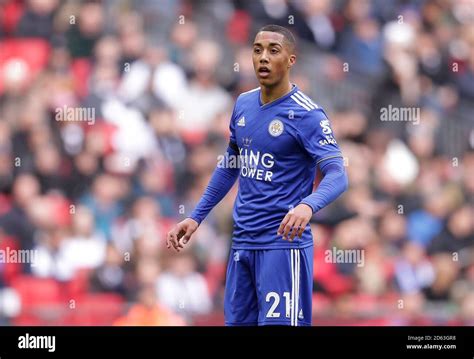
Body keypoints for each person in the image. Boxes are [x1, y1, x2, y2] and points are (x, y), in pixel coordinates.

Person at [166, 25, 348, 326]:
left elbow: (337, 174)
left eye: (273, 51)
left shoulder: (308, 115)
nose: (263, 57)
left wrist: (308, 205)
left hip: (282, 244)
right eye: (257, 49)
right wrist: (196, 216)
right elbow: (230, 164)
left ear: (291, 60)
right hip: (242, 243)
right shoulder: (243, 104)